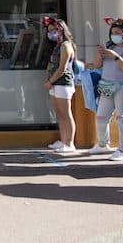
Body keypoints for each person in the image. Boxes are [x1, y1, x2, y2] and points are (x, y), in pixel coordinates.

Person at [84, 17, 123, 161]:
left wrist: (116, 57)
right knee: (101, 116)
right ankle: (103, 144)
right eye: (112, 33)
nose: (114, 35)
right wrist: (100, 53)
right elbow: (97, 65)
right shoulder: (109, 47)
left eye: (118, 32)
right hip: (107, 86)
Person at [42, 17, 77, 153]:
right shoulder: (57, 46)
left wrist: (50, 81)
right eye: (49, 31)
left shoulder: (66, 46)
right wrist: (47, 80)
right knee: (59, 114)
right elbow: (51, 65)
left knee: (66, 113)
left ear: (61, 30)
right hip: (54, 84)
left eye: (53, 30)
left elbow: (62, 68)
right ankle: (62, 140)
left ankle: (70, 143)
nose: (51, 33)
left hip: (63, 83)